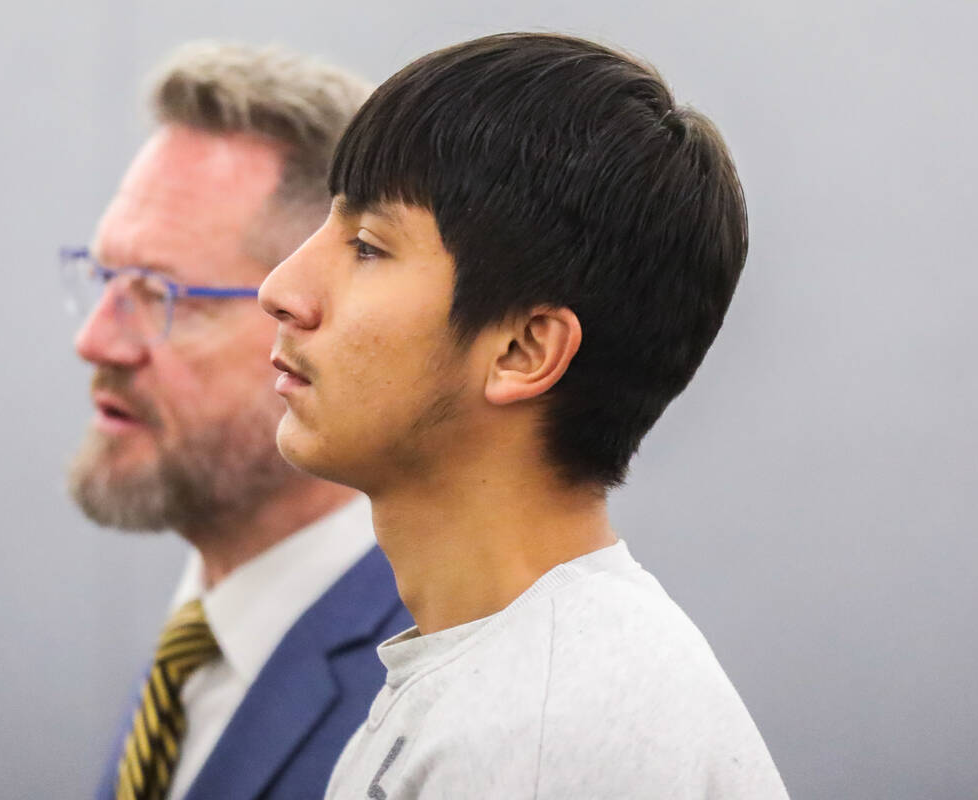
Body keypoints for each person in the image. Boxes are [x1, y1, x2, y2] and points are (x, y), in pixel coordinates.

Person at [259, 32, 790, 798]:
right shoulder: (506, 679)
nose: (280, 288)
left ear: (522, 350)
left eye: (368, 246)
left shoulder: (549, 738)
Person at [63, 42, 411, 800]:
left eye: (161, 295)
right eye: (104, 278)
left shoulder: (414, 709)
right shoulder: (197, 644)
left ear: (327, 322)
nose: (95, 338)